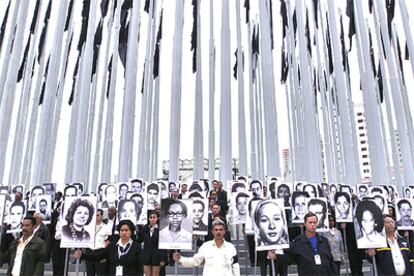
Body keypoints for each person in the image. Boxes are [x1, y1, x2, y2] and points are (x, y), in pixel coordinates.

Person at [74, 220, 144, 276]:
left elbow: (140, 267)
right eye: (122, 230)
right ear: (119, 232)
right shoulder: (112, 246)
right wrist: (82, 255)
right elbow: (98, 257)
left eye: (126, 230)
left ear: (131, 232)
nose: (124, 232)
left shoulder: (136, 246)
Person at [173, 219, 240, 275]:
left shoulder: (231, 247)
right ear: (212, 232)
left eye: (221, 229)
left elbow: (235, 266)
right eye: (216, 230)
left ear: (224, 231)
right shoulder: (206, 246)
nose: (218, 232)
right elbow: (195, 261)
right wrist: (180, 259)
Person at [138, 211, 167, 276]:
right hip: (146, 255)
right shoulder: (145, 229)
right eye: (150, 217)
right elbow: (139, 240)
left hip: (157, 256)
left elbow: (163, 245)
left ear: (157, 218)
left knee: (155, 275)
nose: (152, 219)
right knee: (147, 275)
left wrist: (162, 259)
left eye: (154, 217)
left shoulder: (161, 230)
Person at [85, 209, 112, 276]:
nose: (96, 217)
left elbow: (110, 241)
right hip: (89, 252)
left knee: (101, 273)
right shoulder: (88, 227)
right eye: (94, 215)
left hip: (100, 252)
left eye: (98, 215)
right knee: (89, 273)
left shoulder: (107, 227)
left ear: (102, 216)